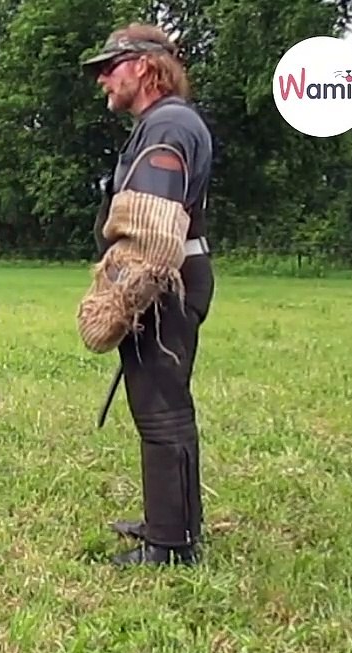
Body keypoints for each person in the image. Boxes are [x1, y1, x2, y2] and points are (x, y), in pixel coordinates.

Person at [81, 24, 215, 566]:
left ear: (142, 66)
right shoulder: (165, 123)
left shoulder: (167, 125)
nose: (102, 80)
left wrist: (122, 296)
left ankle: (172, 545)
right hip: (171, 279)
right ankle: (171, 523)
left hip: (164, 281)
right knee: (160, 407)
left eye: (109, 68)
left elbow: (152, 229)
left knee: (163, 412)